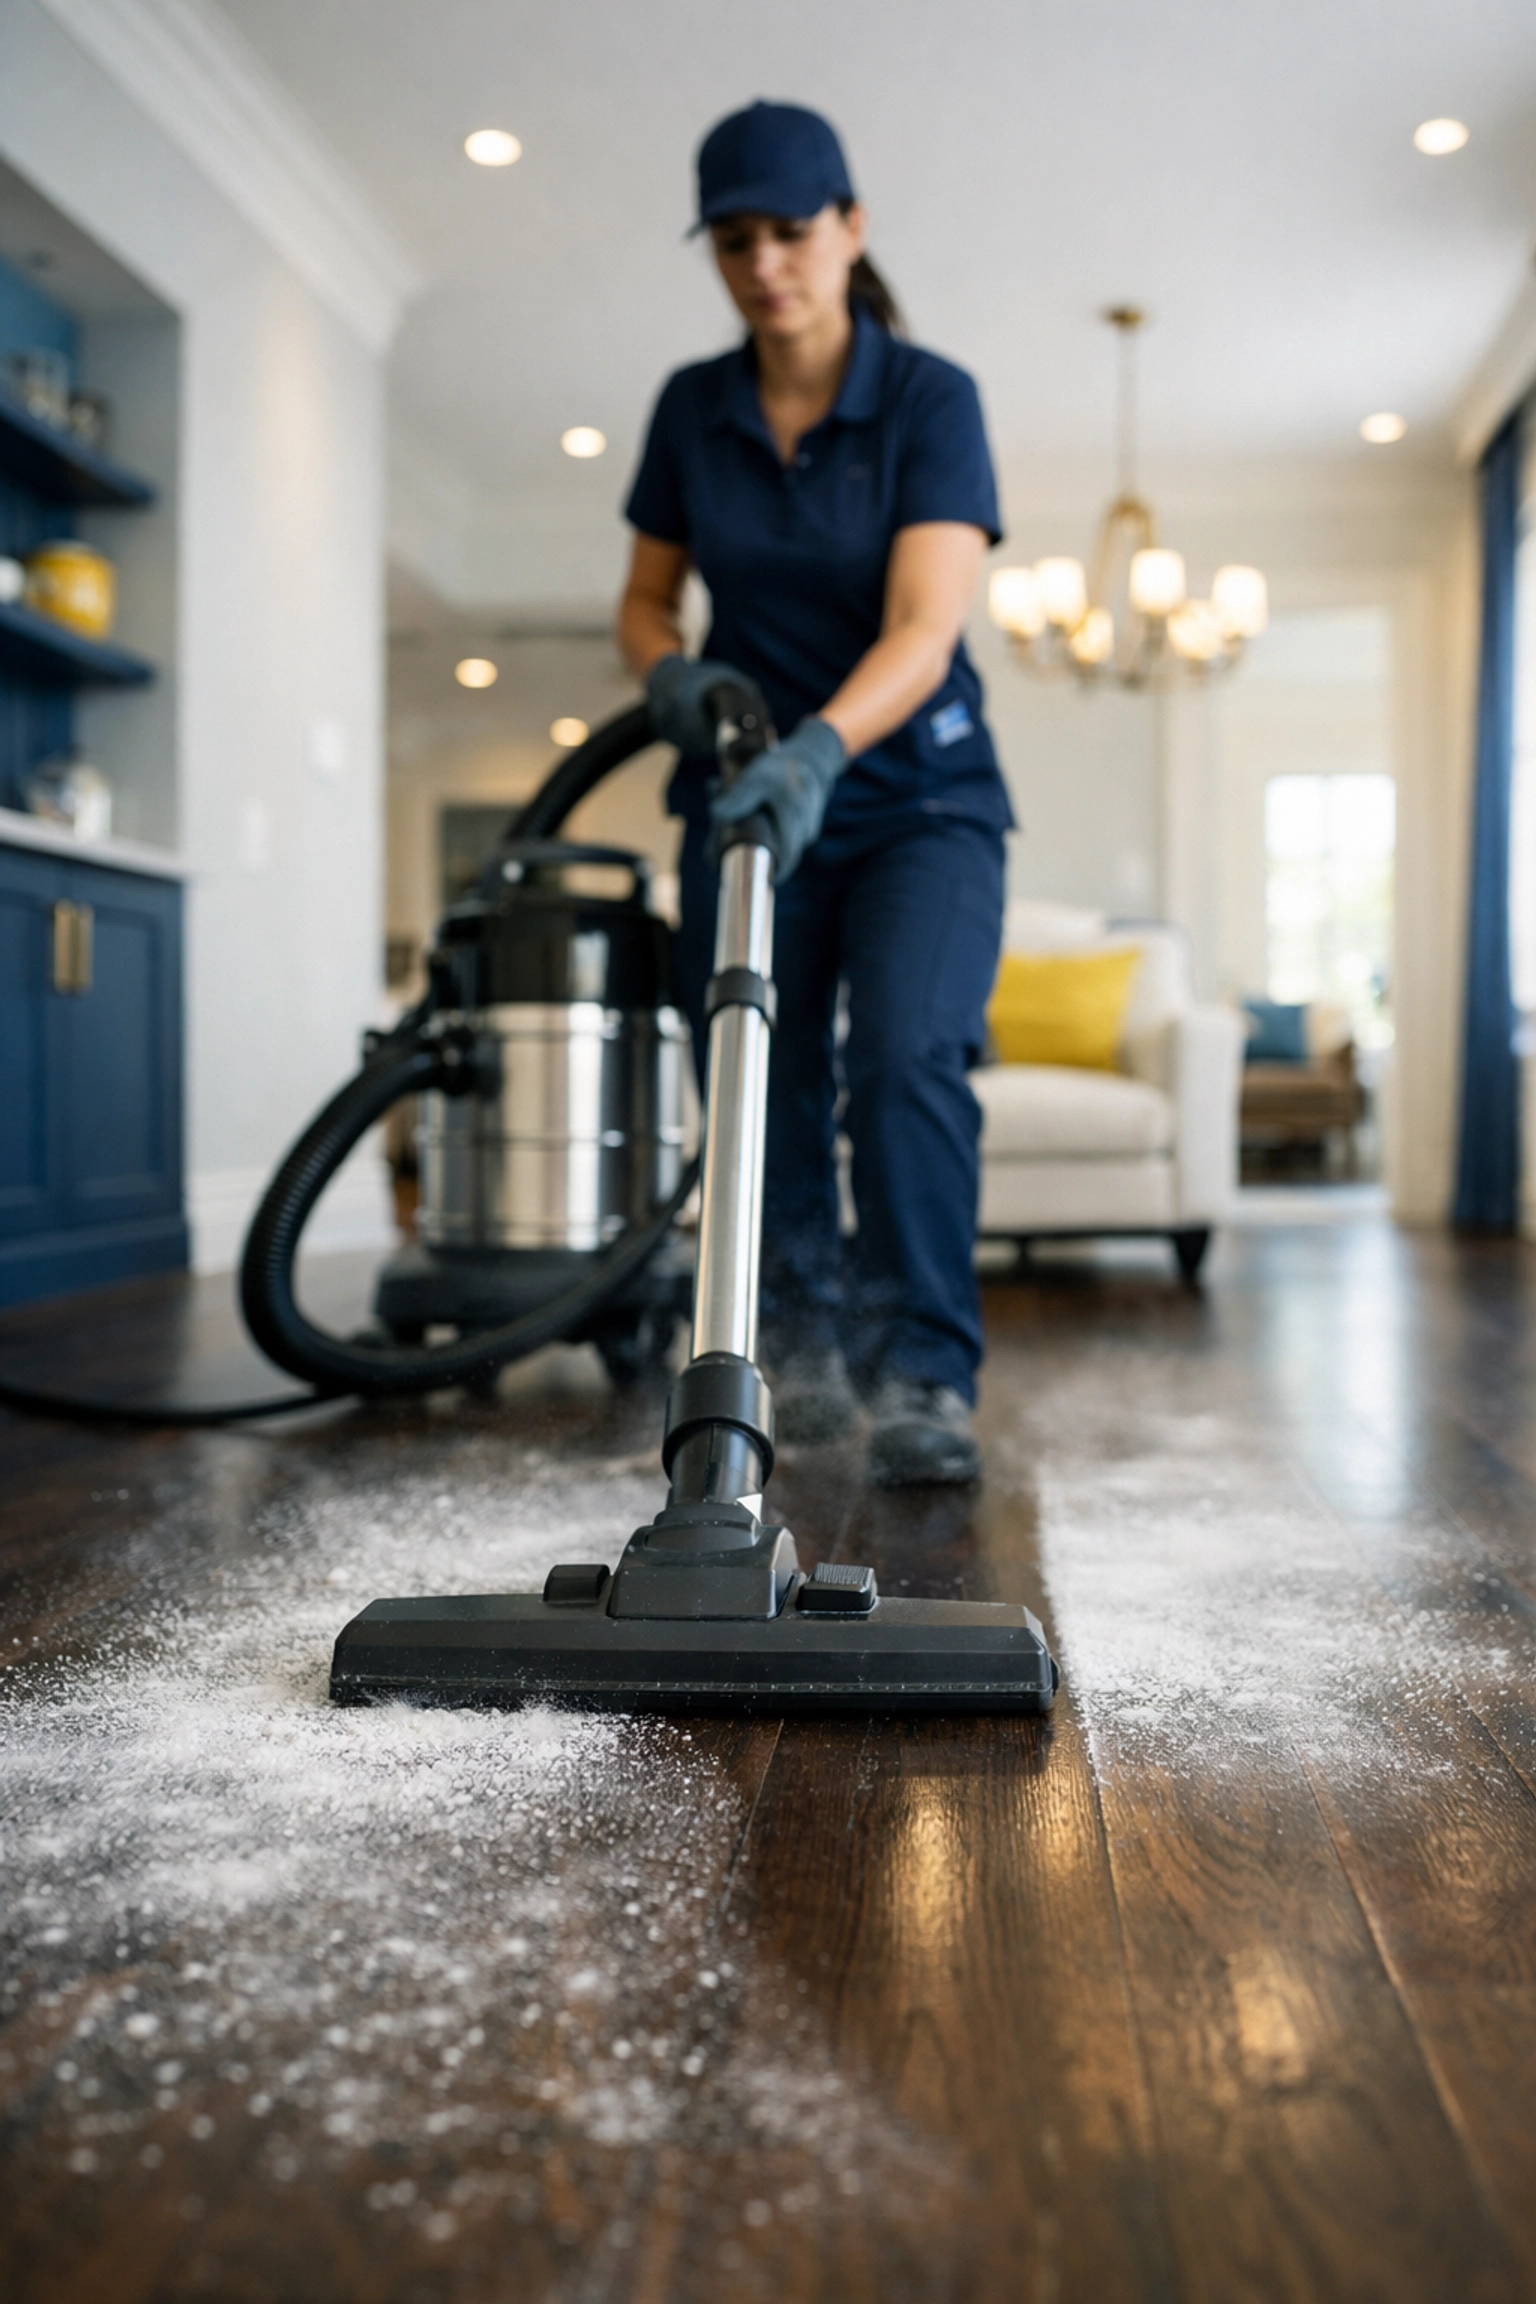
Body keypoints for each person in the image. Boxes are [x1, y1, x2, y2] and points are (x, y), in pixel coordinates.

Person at [617, 99, 1012, 1488]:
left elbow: (924, 625)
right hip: (745, 803)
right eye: (736, 238)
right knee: (755, 1075)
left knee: (904, 1053)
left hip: (916, 797)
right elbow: (647, 603)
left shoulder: (926, 399)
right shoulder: (693, 407)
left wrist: (822, 748)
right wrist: (670, 678)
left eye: (793, 230)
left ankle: (920, 1370)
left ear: (851, 227)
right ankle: (787, 1347)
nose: (766, 261)